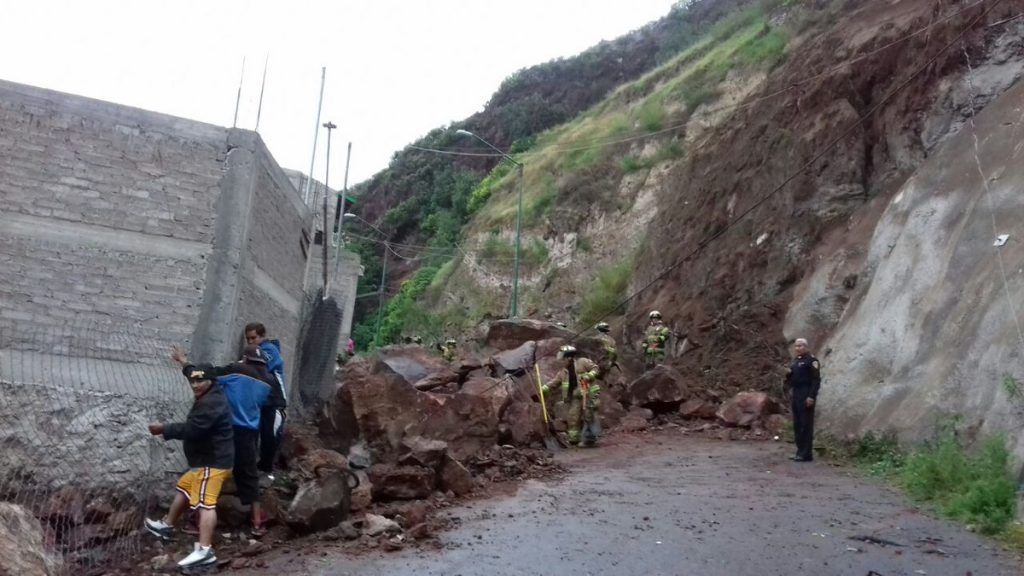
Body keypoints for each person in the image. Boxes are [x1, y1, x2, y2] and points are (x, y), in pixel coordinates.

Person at [172, 346, 275, 535]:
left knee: (208, 473)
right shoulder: (269, 381)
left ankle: (196, 521)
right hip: (250, 433)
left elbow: (204, 376)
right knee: (249, 475)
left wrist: (184, 362)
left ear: (245, 358)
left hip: (225, 431)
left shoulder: (236, 371)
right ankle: (257, 522)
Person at [144, 368, 234, 570]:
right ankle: (166, 526)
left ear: (210, 381)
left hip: (213, 463)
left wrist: (163, 429)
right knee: (185, 486)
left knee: (206, 504)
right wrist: (184, 364)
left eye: (200, 381)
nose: (195, 385)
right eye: (192, 382)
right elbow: (195, 373)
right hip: (208, 460)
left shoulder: (211, 403)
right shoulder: (211, 393)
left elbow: (192, 430)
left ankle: (204, 551)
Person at [244, 322, 287, 479]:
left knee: (270, 434)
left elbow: (260, 367)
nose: (250, 342)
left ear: (262, 336)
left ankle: (267, 468)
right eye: (248, 339)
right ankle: (257, 466)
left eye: (253, 338)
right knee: (255, 431)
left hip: (275, 399)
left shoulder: (270, 351)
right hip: (261, 399)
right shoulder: (254, 352)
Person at [542, 345, 601, 447]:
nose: (561, 361)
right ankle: (574, 439)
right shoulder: (563, 372)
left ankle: (589, 439)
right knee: (573, 417)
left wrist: (589, 375)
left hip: (587, 394)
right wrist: (544, 388)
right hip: (574, 397)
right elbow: (555, 382)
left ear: (569, 358)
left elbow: (595, 368)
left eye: (563, 358)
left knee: (589, 416)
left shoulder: (582, 362)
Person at [786, 338, 821, 462]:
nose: (798, 348)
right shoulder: (796, 361)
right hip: (796, 393)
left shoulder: (812, 361)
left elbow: (816, 380)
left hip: (806, 393)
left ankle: (806, 453)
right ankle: (799, 451)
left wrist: (811, 396)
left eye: (800, 346)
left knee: (806, 424)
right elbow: (791, 377)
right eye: (796, 346)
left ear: (806, 347)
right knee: (798, 424)